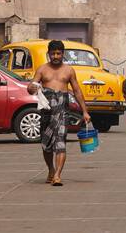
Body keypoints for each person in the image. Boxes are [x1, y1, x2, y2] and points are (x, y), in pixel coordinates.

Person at [26, 40, 90, 187]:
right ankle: (50, 170)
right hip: (46, 110)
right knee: (46, 145)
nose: (55, 56)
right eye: (53, 53)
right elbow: (32, 86)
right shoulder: (42, 70)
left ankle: (57, 175)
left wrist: (85, 111)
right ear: (49, 54)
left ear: (63, 54)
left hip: (62, 110)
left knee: (61, 142)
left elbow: (77, 90)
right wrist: (31, 88)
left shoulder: (69, 70)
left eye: (58, 53)